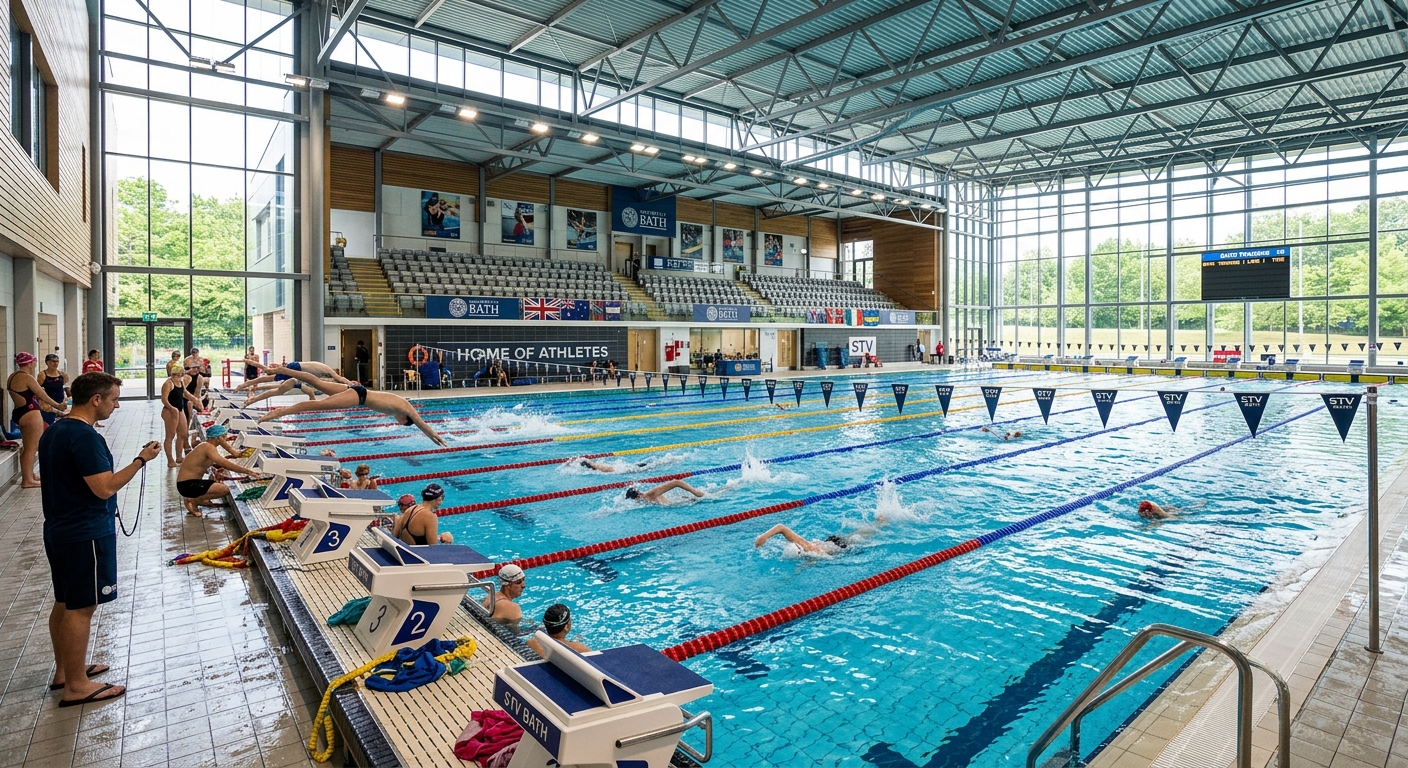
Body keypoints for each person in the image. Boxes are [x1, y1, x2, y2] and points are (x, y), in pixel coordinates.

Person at [40, 372, 161, 706]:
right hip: (85, 533)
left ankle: (66, 670)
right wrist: (141, 460)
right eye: (113, 399)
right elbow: (104, 487)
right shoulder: (84, 437)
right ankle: (76, 685)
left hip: (60, 529)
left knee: (65, 602)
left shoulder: (57, 430)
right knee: (82, 607)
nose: (116, 405)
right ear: (96, 399)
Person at [256, 365, 449, 446]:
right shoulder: (406, 409)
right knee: (318, 405)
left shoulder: (398, 405)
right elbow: (423, 425)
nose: (397, 422)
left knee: (317, 383)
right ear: (405, 419)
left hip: (357, 390)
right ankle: (281, 412)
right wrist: (437, 439)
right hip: (359, 395)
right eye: (401, 422)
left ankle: (284, 370)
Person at [9, 353, 69, 488]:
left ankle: (29, 475)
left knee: (26, 447)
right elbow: (42, 395)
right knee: (32, 448)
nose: (35, 364)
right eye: (34, 362)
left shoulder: (12, 377)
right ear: (30, 363)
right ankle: (27, 480)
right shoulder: (27, 378)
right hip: (30, 414)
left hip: (20, 413)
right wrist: (58, 406)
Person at [175, 425, 260, 517]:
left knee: (215, 481)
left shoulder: (206, 445)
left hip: (188, 483)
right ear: (218, 438)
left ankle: (199, 499)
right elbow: (226, 464)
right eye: (225, 436)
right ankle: (192, 500)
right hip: (187, 486)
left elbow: (222, 445)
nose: (226, 439)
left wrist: (235, 453)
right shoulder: (208, 448)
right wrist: (248, 471)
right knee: (224, 489)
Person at [754, 516, 887, 556]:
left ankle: (880, 524)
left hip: (839, 546)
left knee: (860, 537)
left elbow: (781, 527)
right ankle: (878, 523)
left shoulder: (809, 550)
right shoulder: (805, 546)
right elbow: (781, 528)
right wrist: (764, 537)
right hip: (830, 542)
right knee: (856, 534)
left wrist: (763, 537)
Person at [160, 370, 200, 467]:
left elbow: (185, 393)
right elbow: (164, 399)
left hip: (179, 410)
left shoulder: (181, 382)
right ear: (173, 374)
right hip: (169, 411)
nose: (180, 377)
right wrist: (171, 408)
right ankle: (170, 461)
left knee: (183, 434)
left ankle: (179, 457)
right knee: (170, 436)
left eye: (181, 375)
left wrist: (195, 399)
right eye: (178, 375)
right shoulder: (168, 383)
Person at [38, 354, 70, 426]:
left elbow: (66, 389)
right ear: (47, 363)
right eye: (53, 361)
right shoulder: (42, 375)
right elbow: (38, 391)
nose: (56, 363)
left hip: (60, 404)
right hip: (48, 406)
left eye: (57, 361)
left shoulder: (62, 375)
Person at [624, 479, 705, 503]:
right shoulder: (646, 499)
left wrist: (695, 492)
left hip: (687, 501)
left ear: (637, 497)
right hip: (680, 500)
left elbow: (676, 482)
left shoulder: (650, 494)